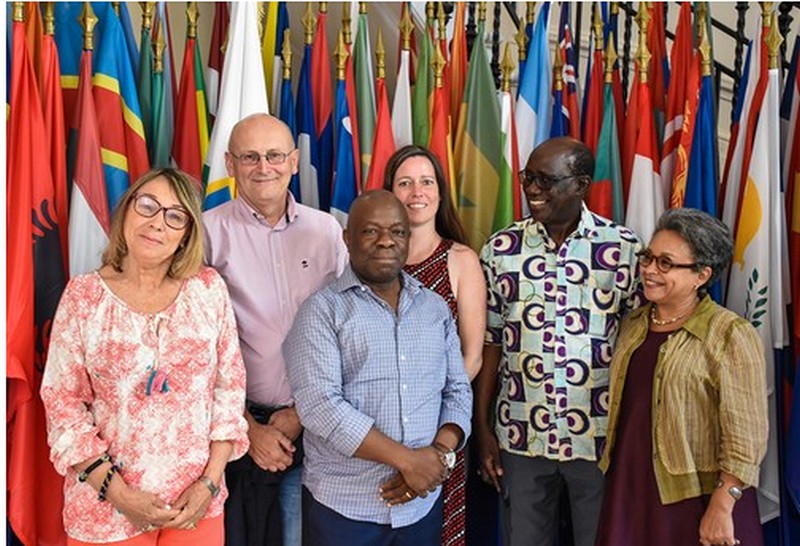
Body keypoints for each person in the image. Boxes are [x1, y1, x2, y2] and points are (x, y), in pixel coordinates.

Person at [41, 168, 249, 546]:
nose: (157, 223)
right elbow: (63, 404)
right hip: (105, 508)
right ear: (126, 212)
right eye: (148, 206)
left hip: (194, 505)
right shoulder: (84, 296)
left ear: (187, 233)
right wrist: (119, 494)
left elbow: (229, 392)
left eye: (174, 215)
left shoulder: (208, 289)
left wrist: (209, 483)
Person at [475, 137, 642, 546]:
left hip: (600, 439)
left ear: (581, 184)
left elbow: (638, 348)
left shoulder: (623, 250)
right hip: (521, 434)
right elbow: (491, 345)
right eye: (528, 178)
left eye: (546, 181)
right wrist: (482, 428)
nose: (532, 189)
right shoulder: (500, 250)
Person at [283, 190, 473, 546]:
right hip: (345, 510)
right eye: (370, 231)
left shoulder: (434, 308)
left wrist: (438, 456)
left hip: (421, 505)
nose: (386, 241)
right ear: (347, 239)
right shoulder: (322, 310)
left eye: (397, 232)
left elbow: (457, 391)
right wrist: (409, 462)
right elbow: (321, 407)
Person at [203, 113, 348, 546]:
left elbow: (348, 328)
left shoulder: (326, 231)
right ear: (230, 163)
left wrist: (303, 414)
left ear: (294, 161)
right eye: (249, 156)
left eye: (273, 155)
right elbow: (195, 348)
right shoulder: (207, 233)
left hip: (318, 423)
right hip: (235, 429)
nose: (263, 167)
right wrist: (249, 428)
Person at [595, 208, 768, 546]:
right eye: (648, 257)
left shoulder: (730, 334)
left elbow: (746, 436)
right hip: (631, 490)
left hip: (697, 500)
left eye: (665, 263)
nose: (648, 270)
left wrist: (723, 503)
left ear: (701, 275)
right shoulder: (633, 324)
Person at [383, 145, 486, 545]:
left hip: (441, 427)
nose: (416, 192)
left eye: (426, 182)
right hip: (378, 430)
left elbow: (472, 356)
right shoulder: (368, 257)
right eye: (405, 183)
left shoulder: (460, 260)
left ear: (440, 192)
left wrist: (435, 421)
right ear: (390, 192)